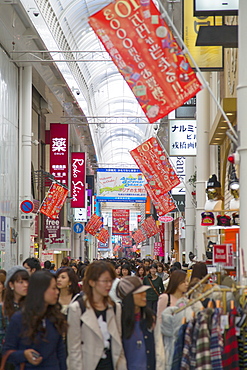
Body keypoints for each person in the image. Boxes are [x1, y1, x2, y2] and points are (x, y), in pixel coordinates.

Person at [67, 260, 127, 370]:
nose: (109, 285)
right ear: (92, 282)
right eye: (105, 281)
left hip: (111, 364)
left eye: (111, 281)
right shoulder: (77, 309)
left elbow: (118, 342)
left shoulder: (115, 308)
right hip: (88, 364)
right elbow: (74, 349)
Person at [3, 270, 67, 370]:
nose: (57, 292)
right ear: (41, 290)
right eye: (53, 288)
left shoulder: (55, 317)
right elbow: (7, 352)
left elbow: (60, 353)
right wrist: (24, 355)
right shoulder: (19, 318)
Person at [116, 276, 156, 370]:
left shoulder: (149, 317)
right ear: (128, 297)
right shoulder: (118, 319)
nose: (144, 295)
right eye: (139, 293)